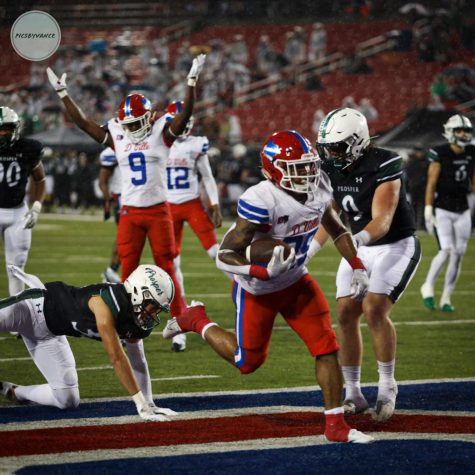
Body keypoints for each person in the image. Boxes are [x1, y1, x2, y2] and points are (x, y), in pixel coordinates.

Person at [163, 130, 374, 444]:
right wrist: (260, 271)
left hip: (296, 281)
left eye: (309, 165)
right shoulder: (261, 199)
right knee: (247, 363)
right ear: (274, 170)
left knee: (327, 347)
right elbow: (224, 255)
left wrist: (357, 265)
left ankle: (335, 427)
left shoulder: (319, 186)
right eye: (297, 167)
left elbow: (334, 225)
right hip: (256, 290)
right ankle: (197, 319)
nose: (307, 173)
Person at [46, 54, 207, 320]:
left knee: (167, 266)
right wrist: (64, 93)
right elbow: (84, 124)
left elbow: (186, 113)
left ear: (150, 117)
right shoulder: (118, 136)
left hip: (158, 212)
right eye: (128, 125)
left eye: (136, 123)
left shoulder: (161, 132)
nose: (132, 129)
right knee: (127, 271)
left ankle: (180, 318)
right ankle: (126, 320)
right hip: (130, 213)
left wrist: (191, 81)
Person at [315, 108, 421, 422]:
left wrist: (354, 244)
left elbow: (384, 220)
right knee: (346, 313)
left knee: (375, 308)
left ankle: (388, 386)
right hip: (359, 245)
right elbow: (328, 216)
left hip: (395, 245)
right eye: (328, 147)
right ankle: (354, 393)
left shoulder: (385, 162)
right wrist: (309, 251)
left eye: (338, 146)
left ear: (358, 141)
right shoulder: (330, 168)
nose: (332, 154)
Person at [0, 264, 182, 420]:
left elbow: (138, 361)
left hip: (50, 334)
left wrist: (148, 402)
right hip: (31, 309)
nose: (153, 314)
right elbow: (117, 357)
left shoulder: (134, 320)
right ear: (139, 293)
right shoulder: (106, 301)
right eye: (153, 307)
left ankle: (12, 392)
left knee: (67, 399)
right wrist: (140, 405)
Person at [164, 101, 223, 352]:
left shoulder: (195, 144)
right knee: (171, 264)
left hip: (190, 204)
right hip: (166, 208)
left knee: (215, 253)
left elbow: (207, 175)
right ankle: (181, 319)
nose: (184, 127)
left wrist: (215, 203)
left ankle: (251, 292)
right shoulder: (160, 143)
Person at [420, 114, 474, 312]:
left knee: (459, 254)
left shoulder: (471, 151)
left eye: (466, 131)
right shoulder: (440, 152)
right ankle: (428, 286)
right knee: (446, 250)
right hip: (442, 208)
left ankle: (446, 297)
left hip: (463, 209)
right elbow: (431, 182)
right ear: (450, 132)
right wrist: (428, 208)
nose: (463, 134)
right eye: (459, 130)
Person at [0, 106, 46, 297]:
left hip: (18, 213)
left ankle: (16, 319)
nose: (3, 133)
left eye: (7, 128)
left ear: (16, 128)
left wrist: (36, 207)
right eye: (0, 129)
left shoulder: (28, 148)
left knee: (16, 268)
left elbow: (40, 180)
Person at [98, 146, 122, 284]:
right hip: (122, 200)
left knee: (126, 238)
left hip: (135, 198)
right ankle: (111, 271)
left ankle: (112, 271)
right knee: (124, 238)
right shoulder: (112, 152)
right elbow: (102, 181)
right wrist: (109, 200)